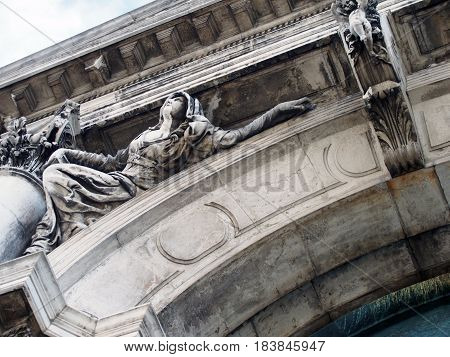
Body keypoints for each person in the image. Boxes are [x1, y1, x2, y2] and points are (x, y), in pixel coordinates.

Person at [25, 91, 315, 254]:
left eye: (176, 99)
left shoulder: (192, 134)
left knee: (54, 178)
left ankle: (59, 235)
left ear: (187, 107)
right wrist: (66, 153)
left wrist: (276, 111)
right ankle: (48, 238)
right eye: (166, 99)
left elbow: (235, 137)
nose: (168, 101)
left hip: (137, 192)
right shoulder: (146, 135)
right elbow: (110, 161)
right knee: (52, 176)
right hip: (119, 181)